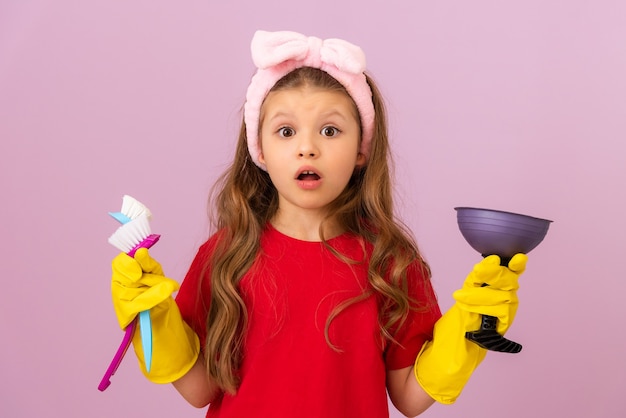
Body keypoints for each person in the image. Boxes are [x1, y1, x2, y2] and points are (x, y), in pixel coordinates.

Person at [110, 30, 527, 418]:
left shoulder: (391, 261)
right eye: (286, 131)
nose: (307, 148)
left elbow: (409, 397)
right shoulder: (226, 255)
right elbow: (199, 389)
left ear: (361, 150)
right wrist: (153, 317)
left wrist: (468, 330)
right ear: (260, 150)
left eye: (330, 130)